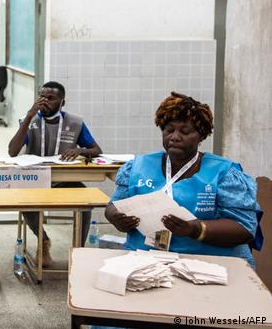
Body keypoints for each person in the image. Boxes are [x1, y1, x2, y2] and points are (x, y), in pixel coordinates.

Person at [105, 92, 263, 267]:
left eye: (185, 131)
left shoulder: (224, 173)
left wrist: (195, 229)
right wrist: (118, 219)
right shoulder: (137, 167)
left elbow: (245, 228)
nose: (175, 137)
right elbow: (113, 206)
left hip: (210, 263)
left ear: (201, 136)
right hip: (147, 262)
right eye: (169, 130)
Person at [7, 81, 102, 267]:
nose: (45, 101)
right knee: (25, 202)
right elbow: (12, 151)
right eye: (42, 97)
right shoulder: (30, 121)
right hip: (35, 180)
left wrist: (79, 150)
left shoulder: (75, 122)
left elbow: (96, 149)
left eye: (51, 98)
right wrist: (28, 116)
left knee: (86, 202)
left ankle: (78, 249)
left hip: (64, 180)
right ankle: (43, 240)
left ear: (62, 102)